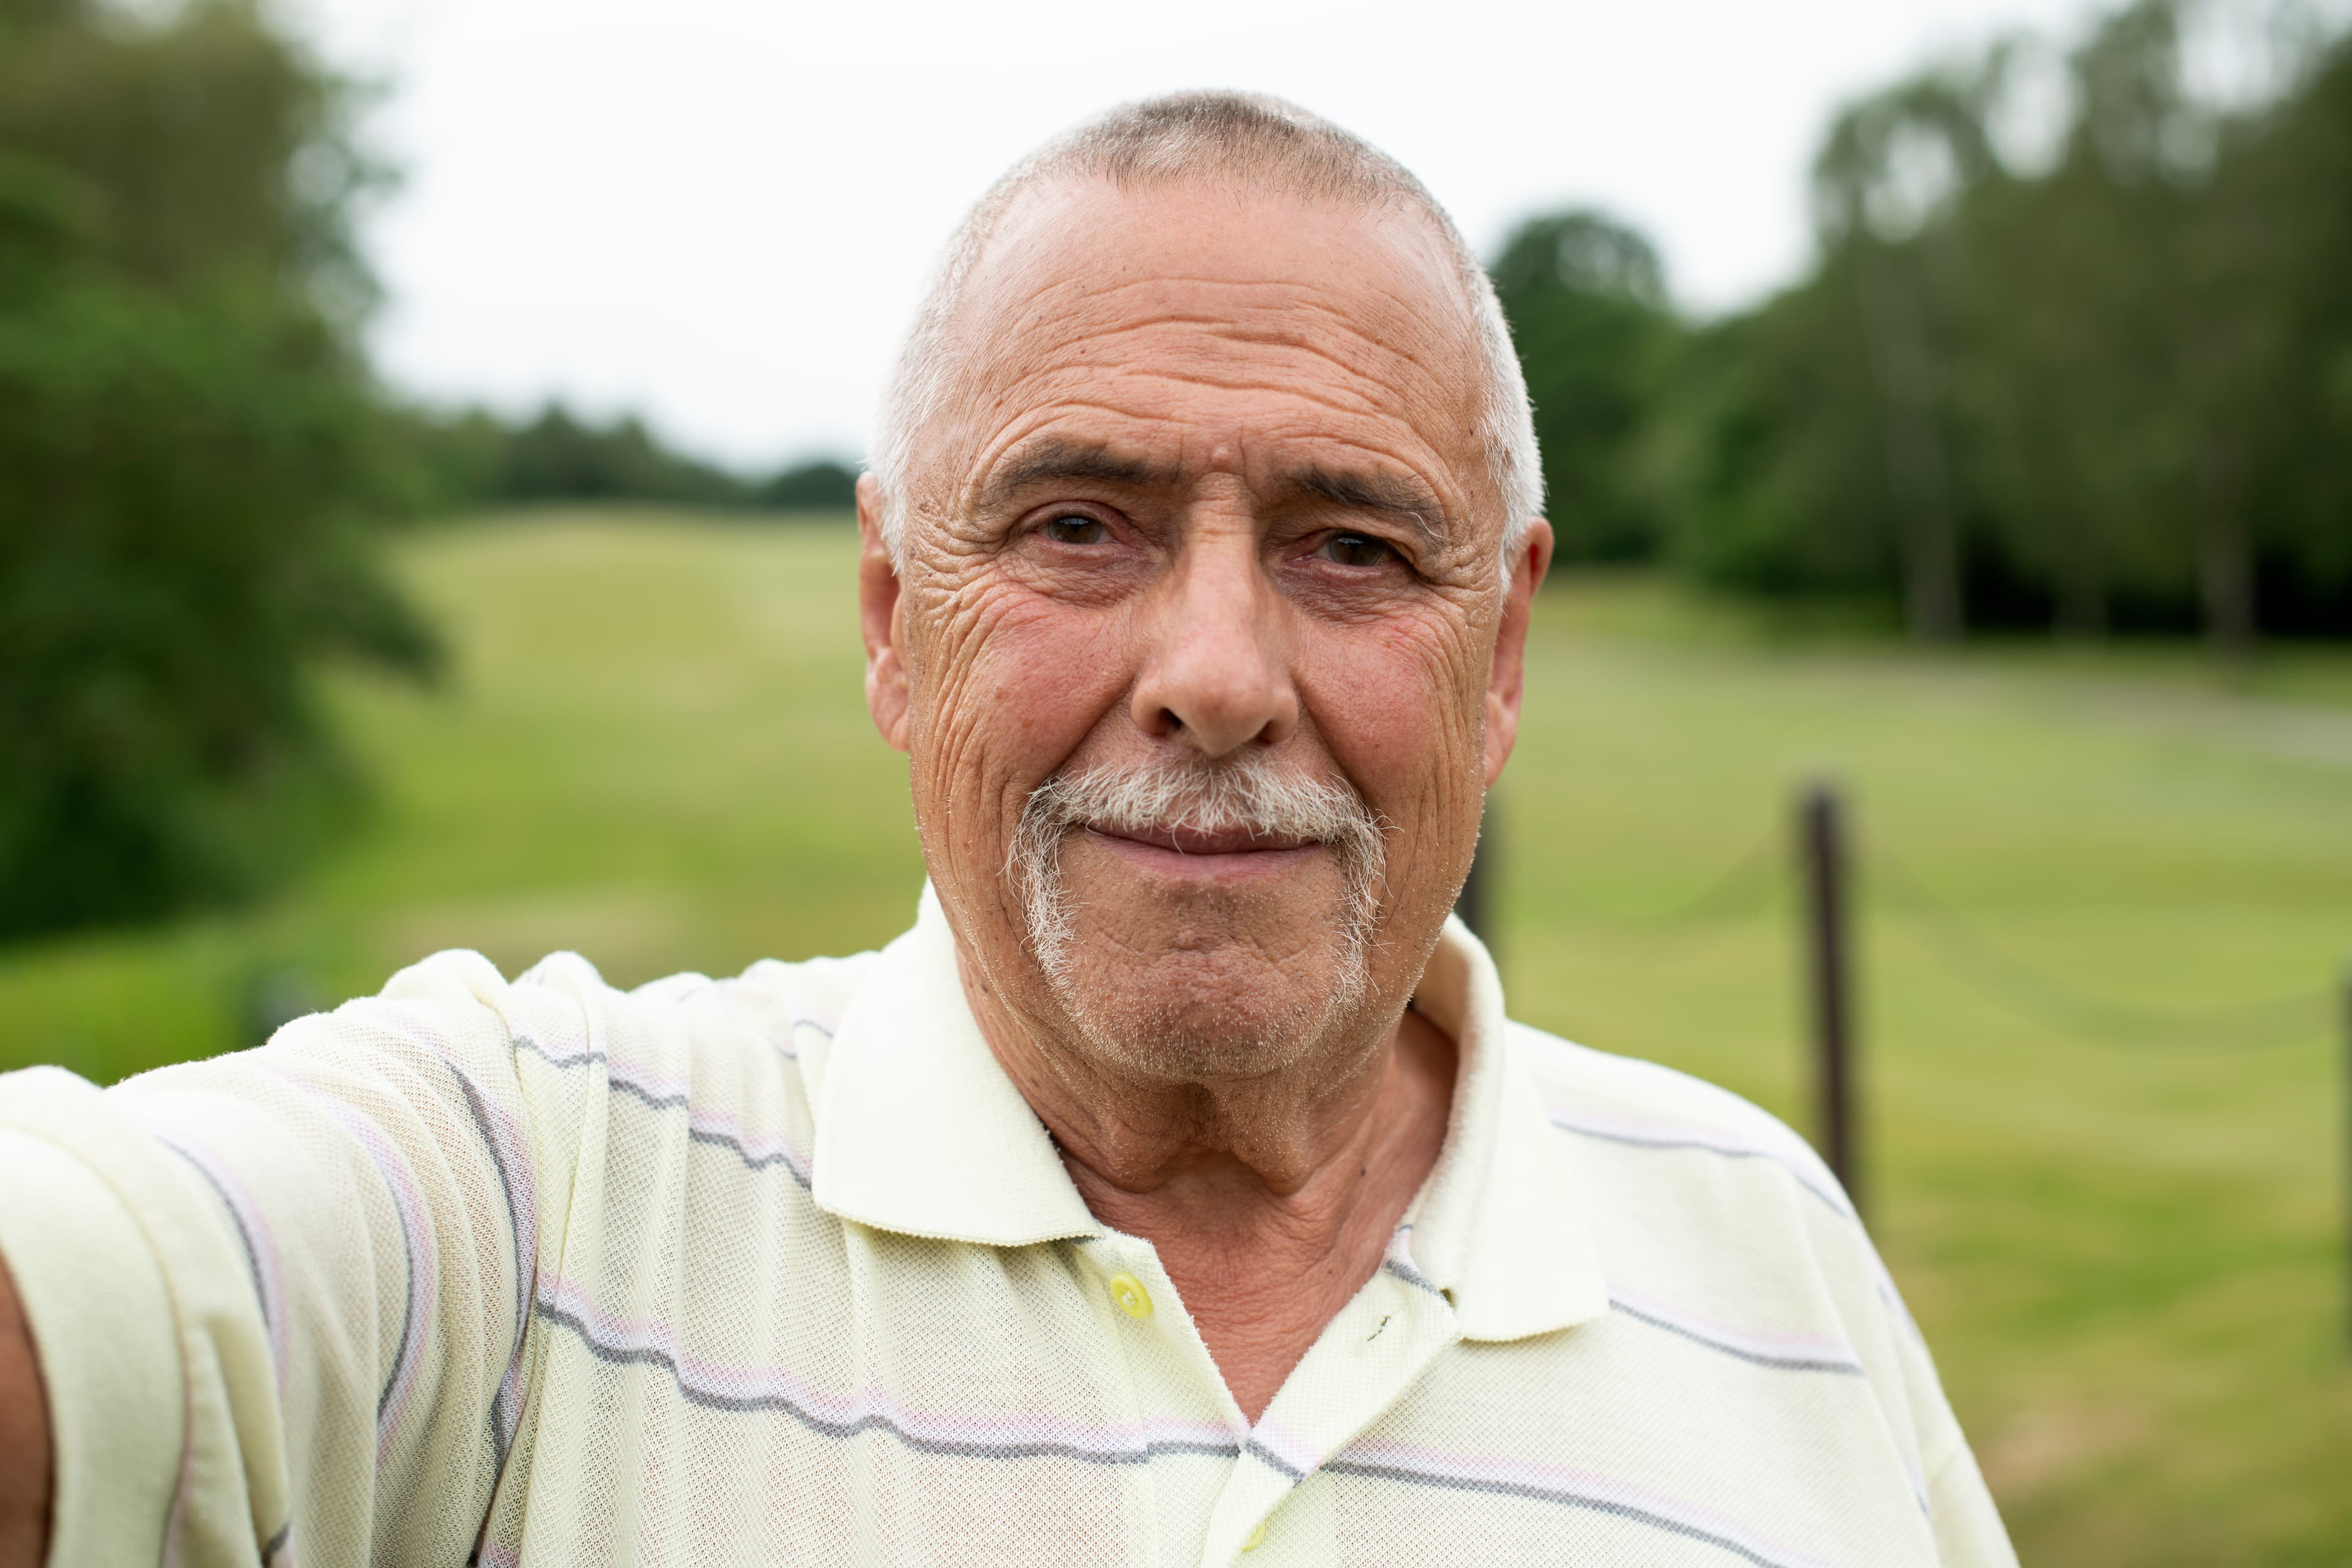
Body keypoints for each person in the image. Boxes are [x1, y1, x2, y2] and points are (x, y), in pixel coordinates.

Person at [0, 92, 2017, 1567]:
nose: (1216, 671)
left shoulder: (1767, 1243)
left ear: (1500, 652)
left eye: (1351, 545)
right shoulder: (536, 1183)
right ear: (895, 617)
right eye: (1080, 527)